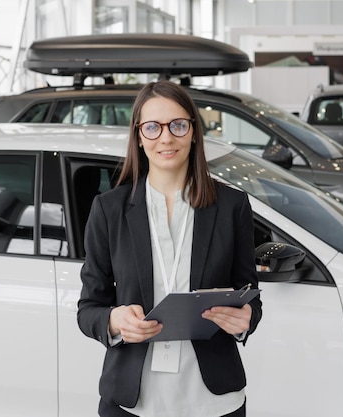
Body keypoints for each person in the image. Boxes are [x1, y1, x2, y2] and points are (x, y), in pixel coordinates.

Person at [77, 80, 262, 417]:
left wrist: (246, 320)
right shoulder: (109, 209)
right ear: (138, 136)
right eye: (153, 127)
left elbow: (249, 294)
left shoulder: (232, 206)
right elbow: (89, 308)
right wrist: (114, 320)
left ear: (193, 132)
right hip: (132, 401)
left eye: (178, 125)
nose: (166, 137)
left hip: (214, 400)